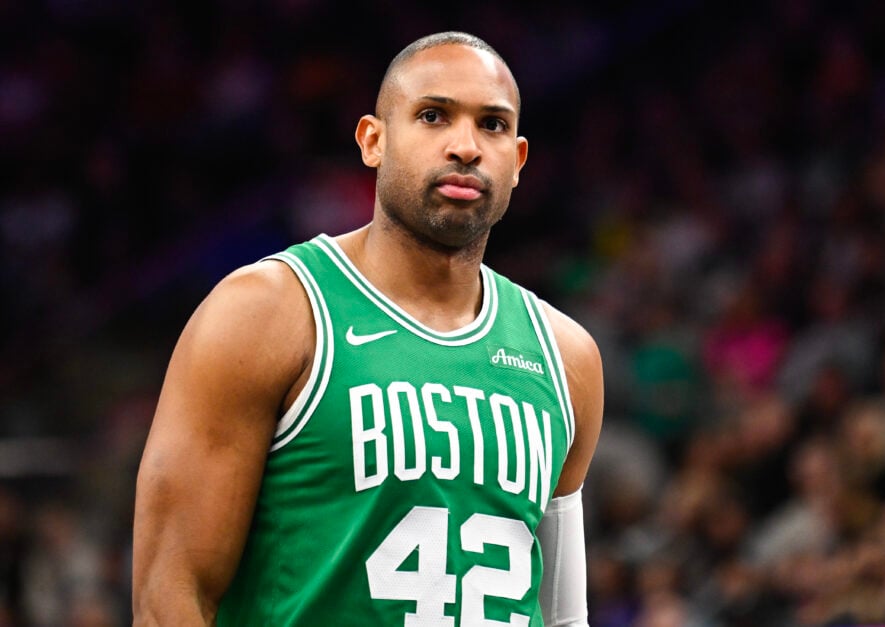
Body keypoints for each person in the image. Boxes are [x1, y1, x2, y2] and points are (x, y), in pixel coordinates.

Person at [132, 31, 604, 626]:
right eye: (433, 116)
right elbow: (169, 597)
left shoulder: (567, 356)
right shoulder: (266, 312)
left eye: (492, 125)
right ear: (373, 141)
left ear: (518, 160)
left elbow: (564, 616)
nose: (465, 146)